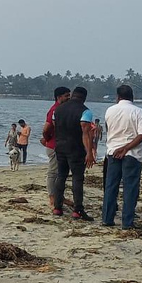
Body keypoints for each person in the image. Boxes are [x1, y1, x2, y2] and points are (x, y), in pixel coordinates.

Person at [103, 85, 142, 230]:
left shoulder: (110, 110)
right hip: (132, 154)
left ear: (118, 97)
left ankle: (107, 218)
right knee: (130, 188)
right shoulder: (138, 112)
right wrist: (126, 148)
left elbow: (109, 129)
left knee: (111, 187)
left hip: (113, 152)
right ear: (132, 96)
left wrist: (120, 147)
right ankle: (127, 222)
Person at [52, 86, 96, 221]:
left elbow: (54, 125)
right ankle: (78, 210)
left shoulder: (58, 109)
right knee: (77, 179)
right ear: (84, 98)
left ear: (72, 95)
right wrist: (89, 152)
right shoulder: (85, 111)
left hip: (60, 147)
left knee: (61, 176)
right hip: (76, 149)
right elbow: (86, 133)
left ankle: (57, 207)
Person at [40, 87, 70, 207]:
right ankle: (52, 197)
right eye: (66, 96)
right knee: (53, 172)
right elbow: (46, 128)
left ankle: (60, 197)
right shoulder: (54, 110)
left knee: (61, 173)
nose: (69, 98)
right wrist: (47, 139)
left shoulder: (63, 109)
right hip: (54, 146)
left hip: (63, 146)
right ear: (59, 97)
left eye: (69, 95)